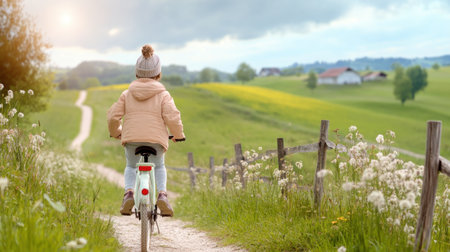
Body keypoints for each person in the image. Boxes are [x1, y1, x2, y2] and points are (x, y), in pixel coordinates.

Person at [107, 44, 185, 217]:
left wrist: (116, 132)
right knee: (159, 166)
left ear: (137, 73)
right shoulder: (164, 95)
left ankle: (128, 193)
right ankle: (162, 195)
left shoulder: (127, 94)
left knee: (131, 165)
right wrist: (178, 135)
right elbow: (172, 116)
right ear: (158, 74)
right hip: (156, 140)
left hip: (132, 139)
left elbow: (113, 116)